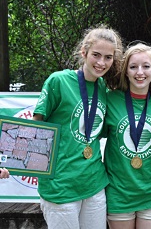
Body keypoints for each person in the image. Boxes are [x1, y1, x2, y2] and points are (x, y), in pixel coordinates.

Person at [32, 25, 123, 229]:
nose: (101, 63)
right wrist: (10, 160)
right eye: (96, 55)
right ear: (84, 52)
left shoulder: (102, 87)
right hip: (61, 186)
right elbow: (33, 129)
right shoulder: (59, 81)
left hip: (94, 184)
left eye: (108, 57)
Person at [103, 42, 151, 229]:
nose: (140, 72)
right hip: (119, 190)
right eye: (133, 67)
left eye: (146, 66)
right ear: (126, 72)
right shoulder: (110, 98)